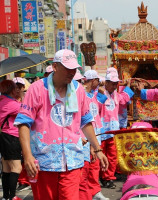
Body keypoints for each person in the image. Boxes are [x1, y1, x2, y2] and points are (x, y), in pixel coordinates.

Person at [14, 49, 108, 200]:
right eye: (68, 69)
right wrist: (27, 156)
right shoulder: (37, 89)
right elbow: (23, 123)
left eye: (74, 69)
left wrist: (98, 149)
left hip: (72, 160)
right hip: (44, 161)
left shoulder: (78, 90)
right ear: (55, 67)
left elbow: (86, 121)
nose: (72, 72)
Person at [98, 69, 134, 189]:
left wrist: (128, 86)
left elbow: (125, 98)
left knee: (113, 156)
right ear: (106, 82)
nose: (114, 86)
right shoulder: (99, 94)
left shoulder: (116, 95)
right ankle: (102, 177)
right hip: (101, 132)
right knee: (100, 156)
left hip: (113, 132)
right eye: (112, 83)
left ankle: (108, 177)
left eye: (116, 84)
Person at [83, 70, 108, 200]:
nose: (99, 83)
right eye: (97, 80)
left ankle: (94, 191)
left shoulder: (93, 94)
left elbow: (103, 99)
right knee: (87, 167)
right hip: (86, 135)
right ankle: (87, 193)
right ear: (93, 80)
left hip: (96, 134)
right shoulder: (81, 95)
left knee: (95, 165)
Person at [0, 80, 23, 200]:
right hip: (12, 137)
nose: (18, 90)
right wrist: (22, 97)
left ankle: (6, 196)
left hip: (4, 136)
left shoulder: (3, 101)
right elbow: (27, 111)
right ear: (12, 89)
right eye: (16, 88)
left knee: (6, 168)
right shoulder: (11, 103)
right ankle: (12, 196)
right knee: (16, 167)